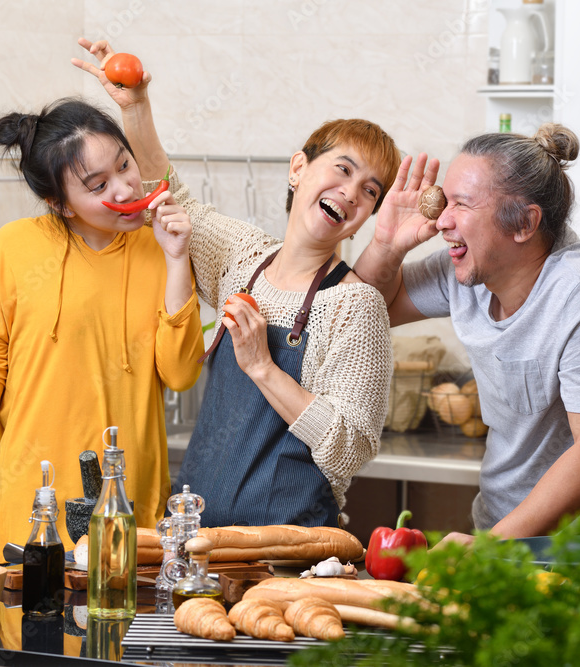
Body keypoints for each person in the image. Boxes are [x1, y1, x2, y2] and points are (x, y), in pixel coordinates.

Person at [73, 39, 398, 528]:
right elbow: (168, 193)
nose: (350, 193)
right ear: (298, 169)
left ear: (365, 216)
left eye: (369, 191)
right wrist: (137, 107)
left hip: (286, 557)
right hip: (198, 545)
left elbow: (349, 446)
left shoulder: (357, 306)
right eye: (343, 170)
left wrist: (264, 368)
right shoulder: (242, 257)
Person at [354, 123, 580, 543]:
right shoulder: (465, 271)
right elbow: (361, 309)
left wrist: (490, 548)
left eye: (462, 205)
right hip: (506, 537)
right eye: (444, 202)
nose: (440, 221)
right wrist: (386, 244)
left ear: (524, 223)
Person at [0, 97, 204, 561]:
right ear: (61, 203)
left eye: (125, 164)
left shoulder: (160, 247)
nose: (123, 187)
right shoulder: (14, 249)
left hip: (130, 519)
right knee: (29, 632)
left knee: (126, 632)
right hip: (33, 519)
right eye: (98, 185)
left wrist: (176, 261)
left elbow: (180, 374)